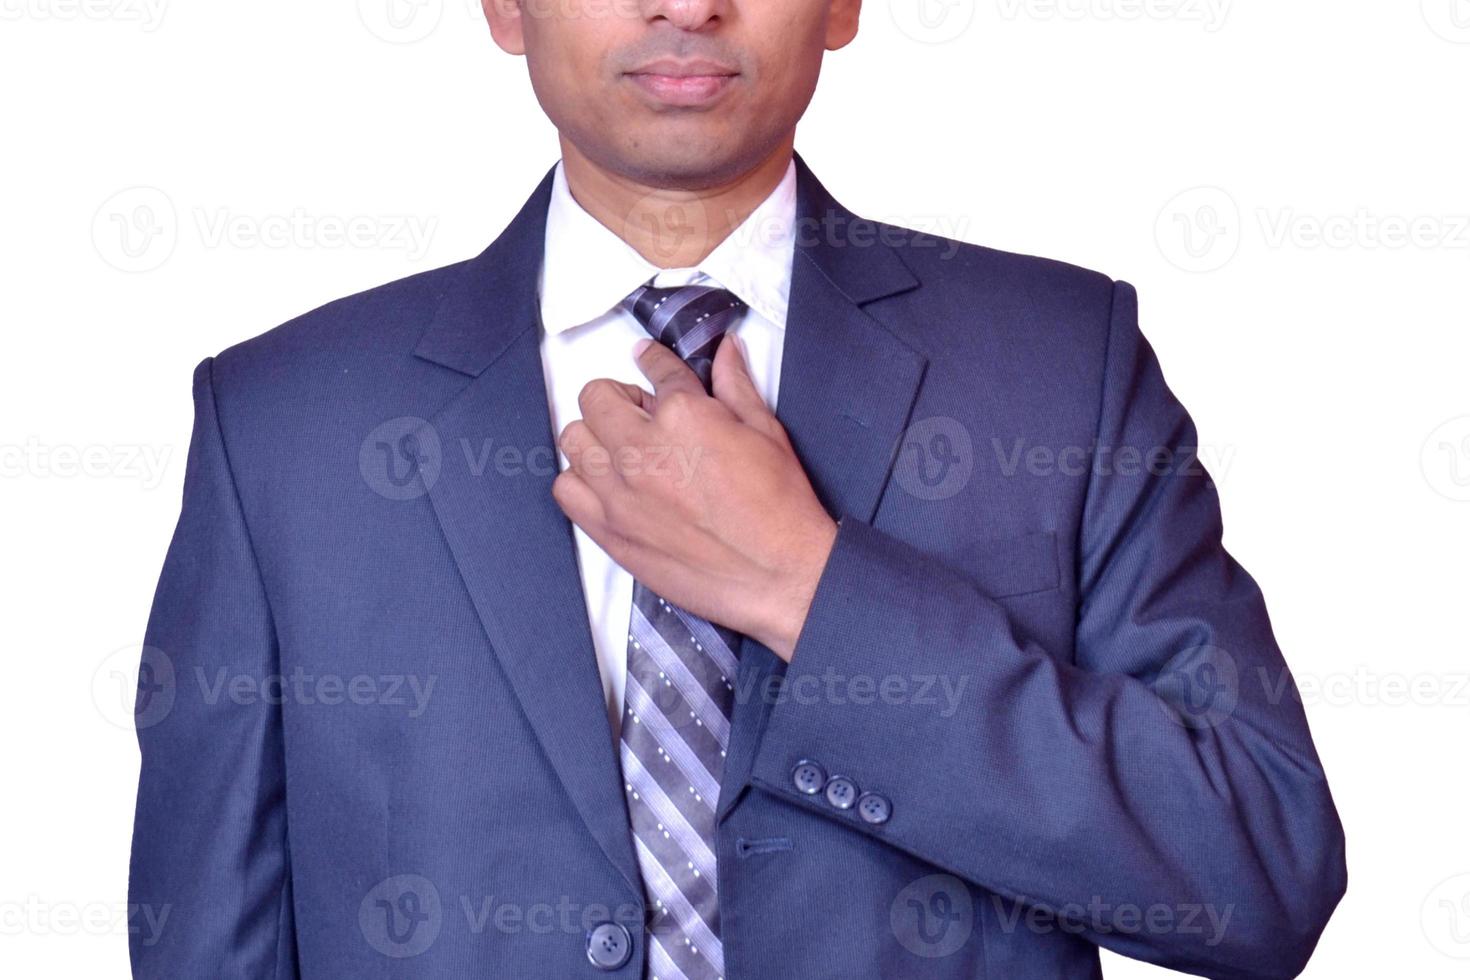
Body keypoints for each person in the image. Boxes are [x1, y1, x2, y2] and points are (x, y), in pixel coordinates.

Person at [128, 1, 1346, 976]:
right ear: (504, 7)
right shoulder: (284, 423)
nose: (688, 7)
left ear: (844, 6)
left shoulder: (1061, 366)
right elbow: (209, 935)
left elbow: (1261, 871)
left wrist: (812, 589)